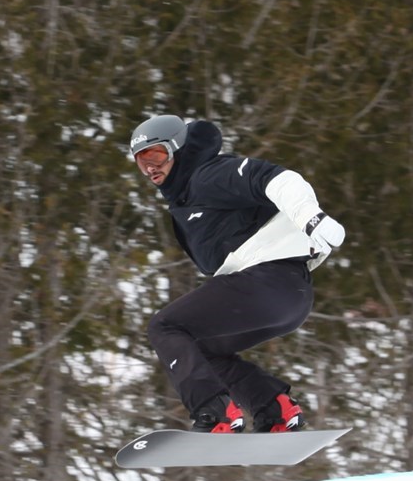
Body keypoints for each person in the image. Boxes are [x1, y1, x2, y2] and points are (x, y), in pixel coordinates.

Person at [128, 115, 346, 433]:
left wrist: (311, 218)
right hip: (289, 297)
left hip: (268, 282)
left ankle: (214, 413)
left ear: (178, 148)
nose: (149, 167)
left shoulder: (208, 175)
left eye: (155, 155)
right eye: (140, 161)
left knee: (165, 326)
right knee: (199, 347)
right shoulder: (186, 199)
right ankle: (275, 410)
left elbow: (278, 179)